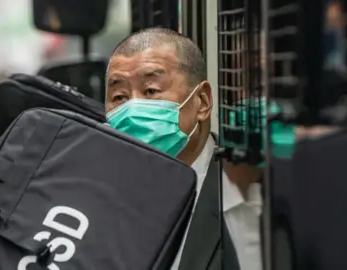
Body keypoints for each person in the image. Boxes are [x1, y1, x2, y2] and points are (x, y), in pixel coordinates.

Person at [105, 27, 265, 270]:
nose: (133, 109)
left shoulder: (248, 194)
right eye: (119, 96)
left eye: (151, 91)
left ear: (201, 102)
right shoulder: (96, 194)